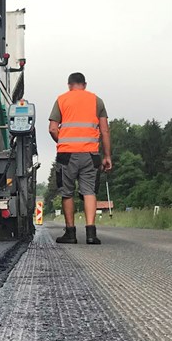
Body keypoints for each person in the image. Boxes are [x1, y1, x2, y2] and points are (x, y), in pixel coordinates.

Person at [48, 72, 112, 245]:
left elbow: (53, 128)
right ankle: (91, 234)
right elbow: (105, 131)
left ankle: (70, 234)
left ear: (69, 85)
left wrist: (62, 141)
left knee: (67, 192)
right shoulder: (96, 100)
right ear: (85, 84)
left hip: (66, 155)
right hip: (91, 154)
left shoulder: (61, 100)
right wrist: (107, 156)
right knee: (89, 191)